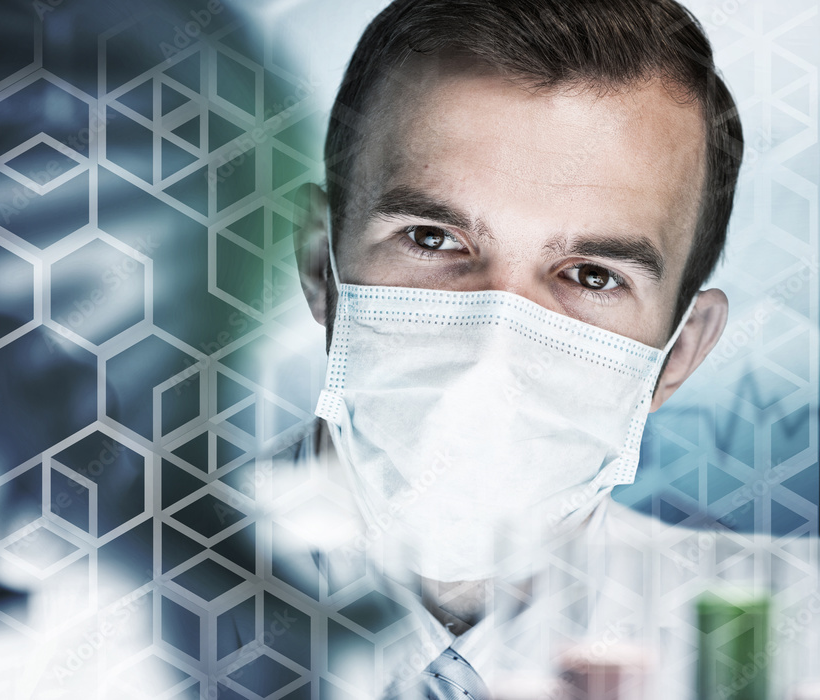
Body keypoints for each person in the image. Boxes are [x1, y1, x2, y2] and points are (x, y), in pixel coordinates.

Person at [286, 0, 819, 696]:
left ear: (680, 353)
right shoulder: (116, 615)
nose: (493, 348)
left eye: (592, 276)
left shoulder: (792, 644)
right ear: (318, 267)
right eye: (432, 238)